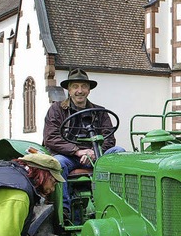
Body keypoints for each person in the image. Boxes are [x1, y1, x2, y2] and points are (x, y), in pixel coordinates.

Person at [43, 68, 125, 215]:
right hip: (69, 156)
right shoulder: (57, 110)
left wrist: (94, 152)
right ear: (68, 89)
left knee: (119, 153)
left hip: (96, 156)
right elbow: (51, 138)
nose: (79, 91)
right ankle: (64, 211)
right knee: (58, 163)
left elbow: (109, 137)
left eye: (83, 86)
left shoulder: (100, 111)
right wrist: (77, 150)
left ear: (89, 90)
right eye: (75, 86)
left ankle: (117, 205)